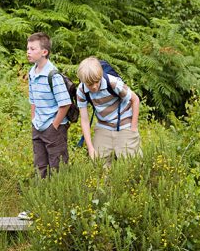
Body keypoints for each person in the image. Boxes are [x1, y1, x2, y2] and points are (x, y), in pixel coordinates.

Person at [19, 32, 72, 220]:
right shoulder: (32, 73)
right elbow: (32, 100)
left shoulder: (53, 74)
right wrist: (34, 119)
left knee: (57, 167)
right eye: (27, 48)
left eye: (32, 49)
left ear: (44, 52)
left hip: (53, 128)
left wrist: (54, 126)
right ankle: (37, 208)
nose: (28, 52)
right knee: (40, 166)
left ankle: (59, 209)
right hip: (38, 126)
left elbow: (65, 104)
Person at [76, 57, 141, 167]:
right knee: (99, 164)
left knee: (131, 164)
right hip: (103, 125)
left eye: (97, 82)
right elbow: (85, 120)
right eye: (90, 84)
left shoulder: (113, 83)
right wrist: (90, 148)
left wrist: (133, 129)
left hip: (124, 123)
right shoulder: (81, 90)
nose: (95, 86)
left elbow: (135, 100)